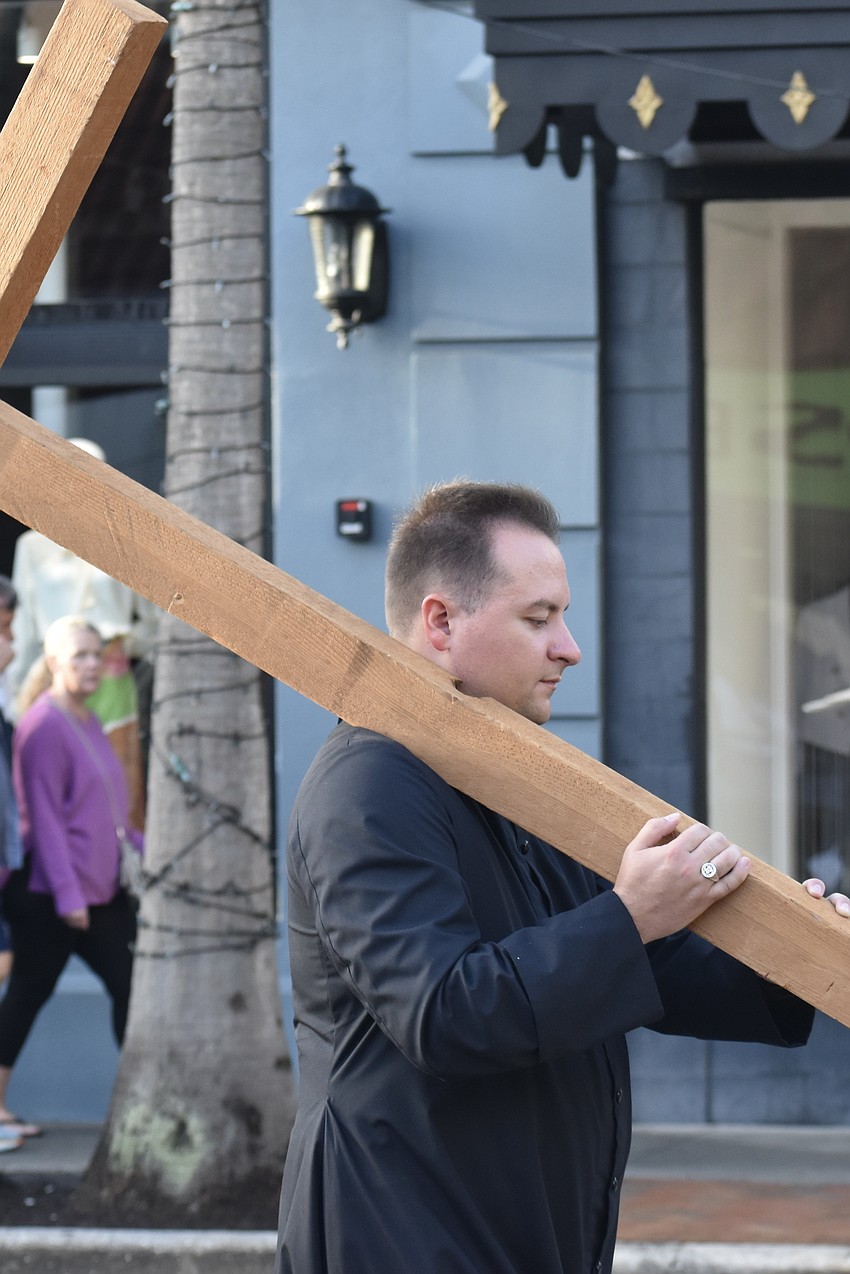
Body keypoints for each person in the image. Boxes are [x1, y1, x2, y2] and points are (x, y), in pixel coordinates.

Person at [276, 480, 850, 1274]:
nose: (569, 648)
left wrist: (801, 958)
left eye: (563, 617)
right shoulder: (370, 782)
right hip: (405, 1234)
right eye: (539, 618)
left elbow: (645, 960)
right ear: (441, 623)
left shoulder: (502, 775)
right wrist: (631, 915)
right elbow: (445, 1012)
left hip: (511, 1232)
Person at [0, 615, 142, 1138]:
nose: (92, 664)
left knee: (131, 987)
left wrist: (147, 850)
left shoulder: (87, 719)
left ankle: (140, 1099)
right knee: (29, 991)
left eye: (97, 654)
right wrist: (67, 896)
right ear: (54, 661)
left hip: (100, 892)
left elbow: (107, 812)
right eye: (79, 655)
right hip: (55, 896)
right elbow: (45, 820)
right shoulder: (43, 725)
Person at [7, 438, 158, 829]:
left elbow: (154, 622)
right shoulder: (32, 547)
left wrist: (127, 644)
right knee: (55, 793)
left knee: (119, 795)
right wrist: (13, 697)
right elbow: (22, 630)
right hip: (53, 679)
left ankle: (119, 865)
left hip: (112, 678)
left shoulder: (124, 540)